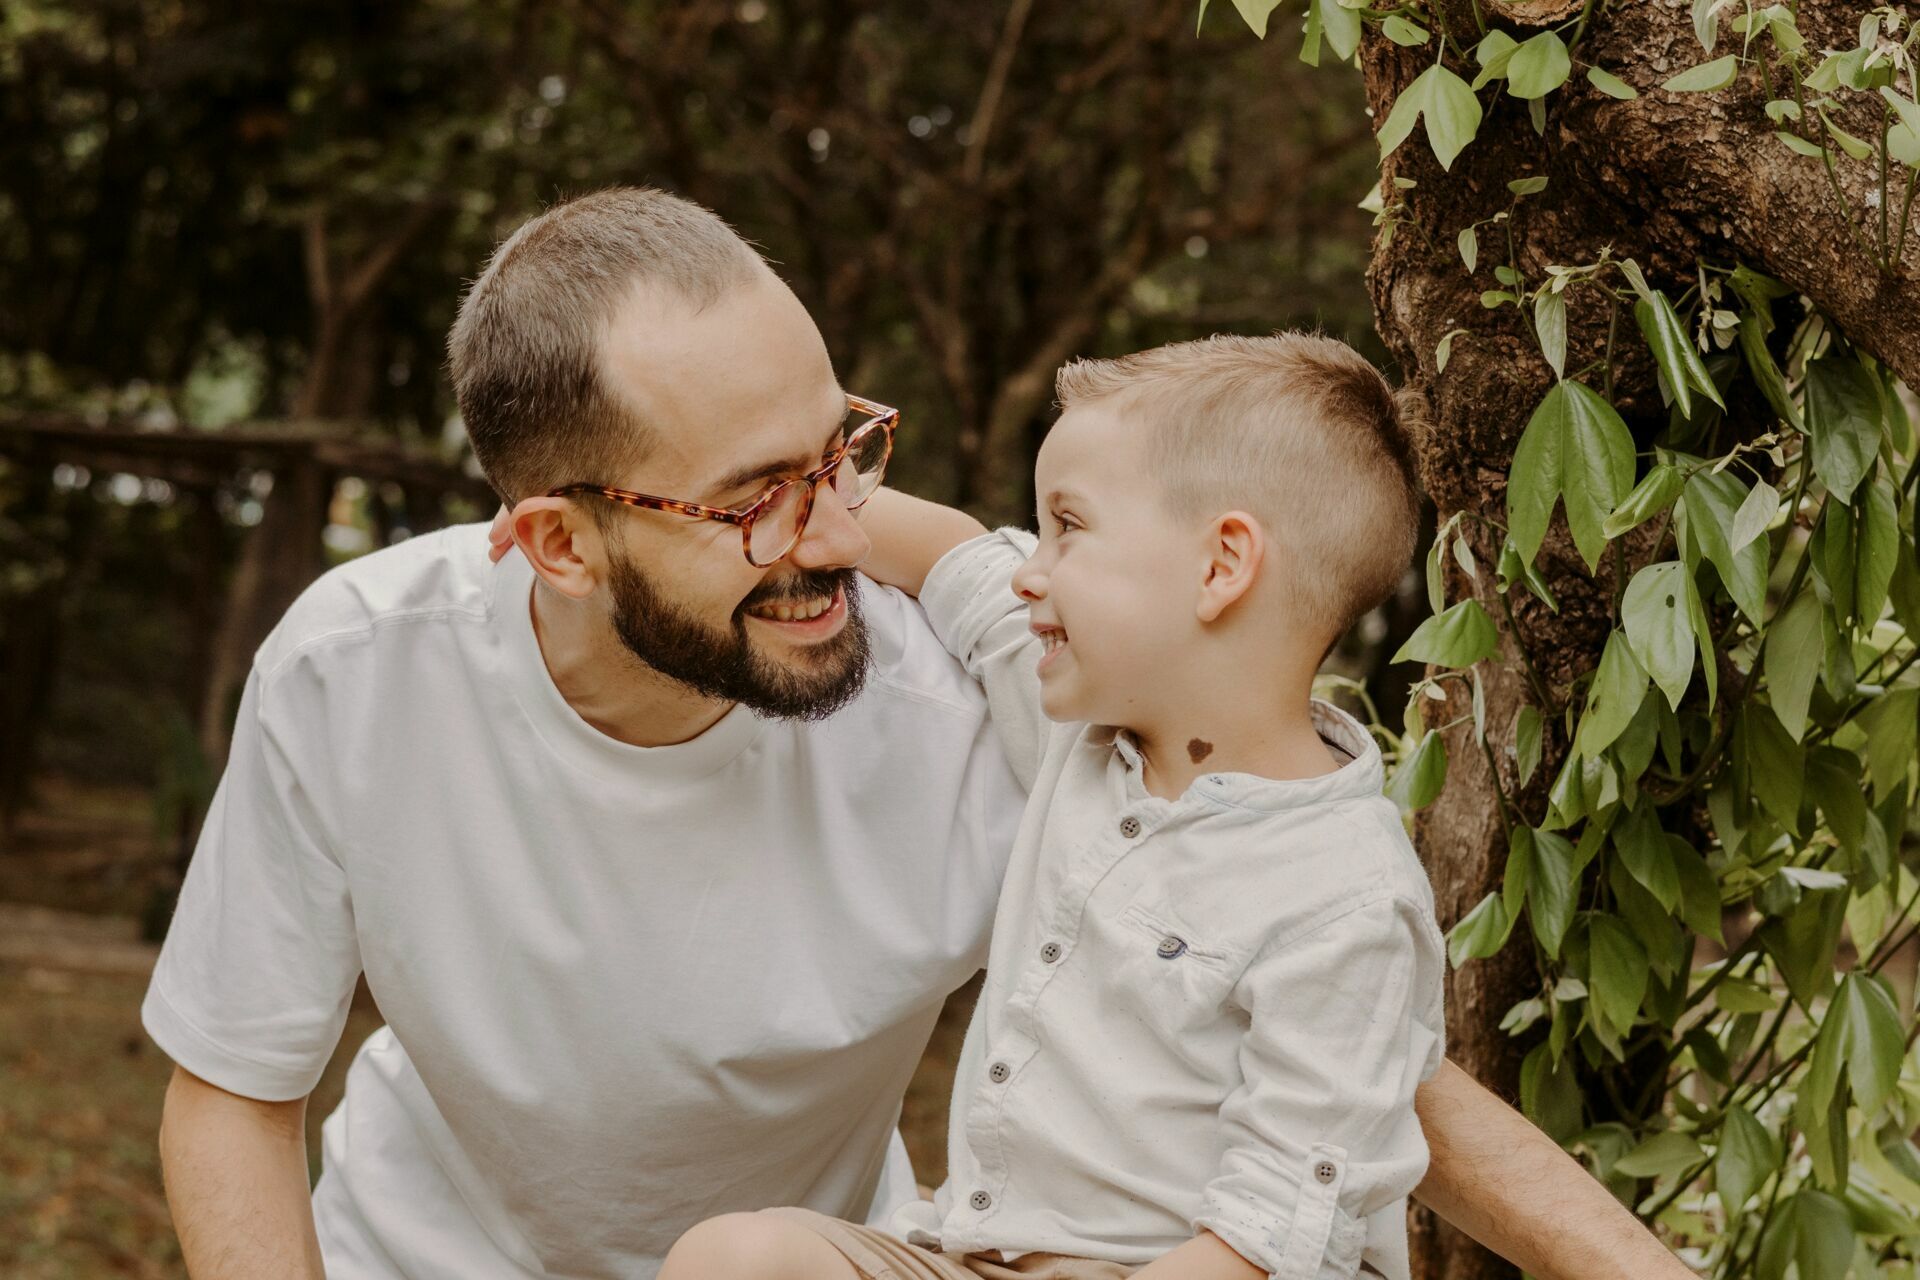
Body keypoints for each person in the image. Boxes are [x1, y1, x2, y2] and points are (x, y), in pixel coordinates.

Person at [147, 187, 1696, 1280]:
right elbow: (236, 1085)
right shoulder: (357, 671)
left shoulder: (1001, 704)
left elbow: (1342, 1042)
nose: (838, 532)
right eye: (758, 497)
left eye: (842, 451)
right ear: (557, 543)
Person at [656, 333, 1441, 1280]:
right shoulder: (1079, 731)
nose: (1031, 568)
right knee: (739, 1259)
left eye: (1068, 526)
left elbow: (1271, 1234)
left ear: (1221, 566)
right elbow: (944, 552)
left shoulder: (1347, 897)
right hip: (978, 1254)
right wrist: (630, 517)